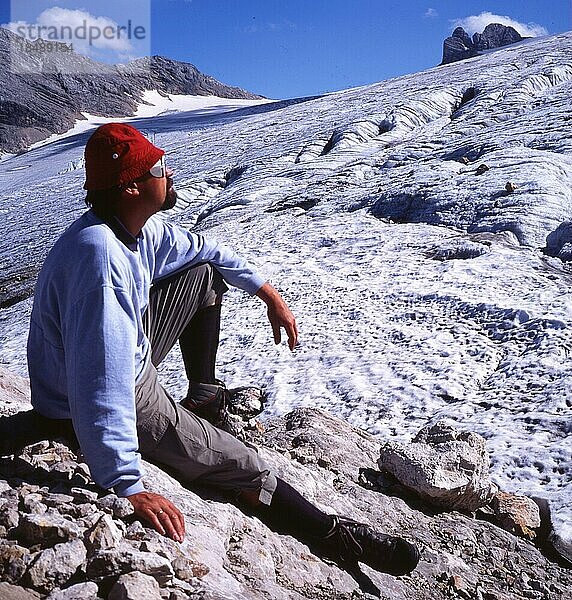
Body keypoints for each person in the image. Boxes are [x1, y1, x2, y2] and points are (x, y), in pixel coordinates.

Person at [22, 123, 419, 577]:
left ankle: (204, 396)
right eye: (158, 168)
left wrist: (268, 293)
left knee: (204, 272)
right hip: (103, 396)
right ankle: (331, 533)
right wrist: (125, 483)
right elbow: (101, 381)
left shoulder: (127, 229)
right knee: (243, 464)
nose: (168, 173)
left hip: (118, 358)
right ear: (132, 187)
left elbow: (205, 249)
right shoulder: (101, 259)